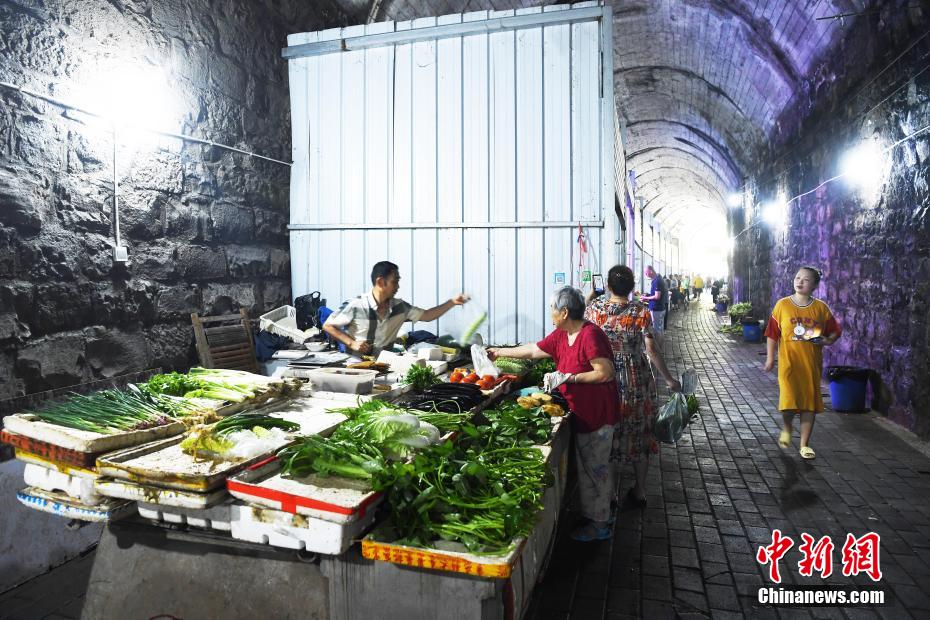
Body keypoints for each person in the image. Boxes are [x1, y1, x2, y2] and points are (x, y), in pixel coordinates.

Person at [488, 287, 619, 541]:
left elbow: (605, 372)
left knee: (597, 469)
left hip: (598, 415)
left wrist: (570, 377)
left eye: (552, 308)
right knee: (591, 468)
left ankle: (600, 524)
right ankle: (599, 513)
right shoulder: (563, 334)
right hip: (582, 413)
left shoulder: (590, 335)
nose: (550, 312)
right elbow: (534, 350)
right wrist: (499, 351)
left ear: (564, 311)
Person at [585, 266, 680, 511]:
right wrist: (669, 379)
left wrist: (591, 294)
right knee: (639, 434)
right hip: (636, 377)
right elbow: (651, 350)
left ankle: (611, 493)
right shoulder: (640, 311)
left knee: (611, 433)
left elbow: (582, 317)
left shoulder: (595, 309)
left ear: (607, 285)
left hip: (605, 376)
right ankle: (639, 490)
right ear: (632, 286)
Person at [763, 266, 842, 459]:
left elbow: (835, 330)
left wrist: (828, 340)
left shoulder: (820, 308)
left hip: (811, 364)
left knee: (808, 404)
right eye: (797, 277)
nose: (799, 281)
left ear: (814, 285)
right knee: (789, 403)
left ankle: (804, 444)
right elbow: (772, 334)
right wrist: (770, 358)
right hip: (789, 364)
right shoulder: (782, 305)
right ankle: (788, 427)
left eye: (805, 280)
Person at [323, 261, 468, 356]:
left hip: (385, 365)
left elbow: (428, 315)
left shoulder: (400, 307)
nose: (398, 286)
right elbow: (328, 325)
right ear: (380, 282)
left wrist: (452, 302)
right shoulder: (356, 304)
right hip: (356, 366)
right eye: (395, 282)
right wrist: (352, 343)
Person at [639, 265, 666, 336]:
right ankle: (660, 345)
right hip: (660, 308)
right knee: (660, 329)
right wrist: (648, 296)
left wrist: (646, 298)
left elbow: (657, 296)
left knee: (656, 330)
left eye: (646, 273)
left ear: (651, 271)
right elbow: (656, 294)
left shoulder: (657, 281)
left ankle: (657, 346)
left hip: (656, 309)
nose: (645, 274)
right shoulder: (657, 279)